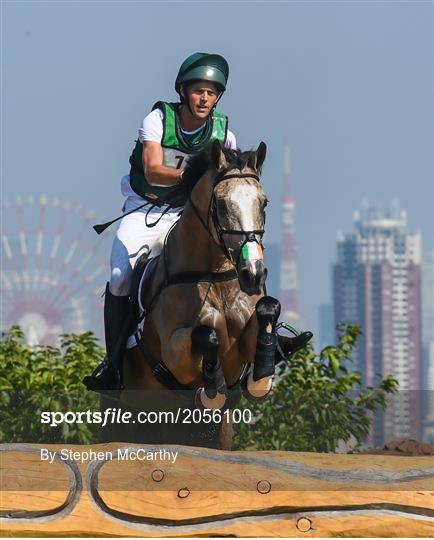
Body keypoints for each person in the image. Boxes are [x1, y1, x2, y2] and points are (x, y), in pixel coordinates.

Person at [84, 53, 236, 392]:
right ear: (183, 91)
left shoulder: (225, 134)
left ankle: (265, 340)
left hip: (188, 217)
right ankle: (113, 366)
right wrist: (192, 175)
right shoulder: (157, 119)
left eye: (211, 93)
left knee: (238, 259)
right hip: (145, 211)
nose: (205, 99)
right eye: (198, 91)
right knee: (120, 276)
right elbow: (153, 169)